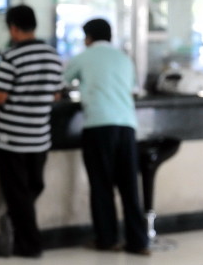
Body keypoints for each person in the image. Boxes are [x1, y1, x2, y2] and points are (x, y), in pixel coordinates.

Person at [0, 4, 63, 258]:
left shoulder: (11, 57)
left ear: (13, 28)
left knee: (18, 194)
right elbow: (56, 95)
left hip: (11, 138)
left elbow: (0, 98)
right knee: (33, 187)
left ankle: (30, 244)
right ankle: (22, 233)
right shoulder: (53, 55)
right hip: (39, 136)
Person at [63, 18, 150, 256]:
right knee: (129, 186)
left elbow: (61, 83)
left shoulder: (84, 57)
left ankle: (107, 239)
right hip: (127, 125)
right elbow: (134, 89)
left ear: (88, 37)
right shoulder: (124, 58)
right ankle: (138, 242)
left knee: (102, 185)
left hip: (98, 125)